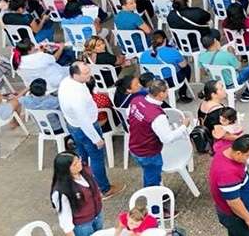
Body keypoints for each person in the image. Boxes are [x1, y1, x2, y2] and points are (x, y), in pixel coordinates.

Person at [58, 62, 122, 200]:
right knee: (96, 158)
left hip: (73, 125)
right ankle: (104, 189)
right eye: (86, 73)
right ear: (75, 74)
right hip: (85, 128)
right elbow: (84, 121)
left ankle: (85, 184)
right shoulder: (76, 96)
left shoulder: (67, 82)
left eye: (89, 71)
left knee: (82, 156)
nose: (90, 75)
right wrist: (96, 138)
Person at [126, 78, 191, 187]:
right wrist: (184, 126)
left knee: (148, 173)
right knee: (153, 181)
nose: (167, 92)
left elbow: (128, 116)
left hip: (134, 146)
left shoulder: (136, 100)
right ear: (161, 94)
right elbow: (167, 138)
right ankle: (153, 196)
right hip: (148, 153)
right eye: (167, 90)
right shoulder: (157, 116)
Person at [209, 134, 249, 236]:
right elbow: (233, 202)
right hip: (236, 216)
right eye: (247, 155)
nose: (248, 158)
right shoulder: (227, 173)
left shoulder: (227, 149)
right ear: (238, 153)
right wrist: (248, 218)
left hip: (235, 211)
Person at [51, 151, 106, 236]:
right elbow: (64, 216)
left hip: (97, 216)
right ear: (65, 169)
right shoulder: (61, 191)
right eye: (75, 164)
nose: (79, 164)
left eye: (78, 160)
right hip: (83, 225)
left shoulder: (85, 171)